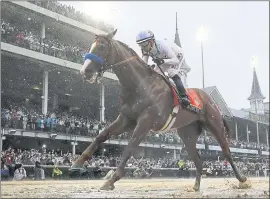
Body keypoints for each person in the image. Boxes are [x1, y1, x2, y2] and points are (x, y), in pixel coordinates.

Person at [136, 30, 190, 106]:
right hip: (164, 58)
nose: (143, 47)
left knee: (172, 72)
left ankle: (184, 96)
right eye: (140, 45)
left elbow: (175, 60)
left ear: (151, 41)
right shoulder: (145, 49)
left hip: (177, 56)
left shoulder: (162, 46)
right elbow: (144, 64)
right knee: (155, 74)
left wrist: (162, 61)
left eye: (144, 43)